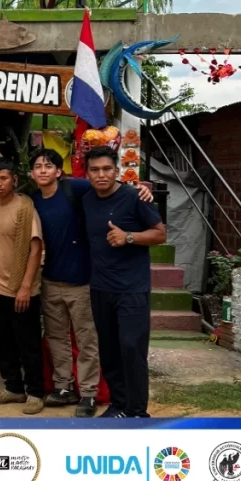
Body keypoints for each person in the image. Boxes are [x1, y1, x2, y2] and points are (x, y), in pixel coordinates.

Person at [29, 147, 153, 417]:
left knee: (92, 341)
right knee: (58, 338)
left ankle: (91, 394)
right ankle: (65, 388)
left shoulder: (76, 188)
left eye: (48, 166)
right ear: (31, 173)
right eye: (38, 166)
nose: (43, 170)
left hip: (86, 280)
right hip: (55, 278)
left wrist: (141, 188)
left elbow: (114, 188)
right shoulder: (33, 199)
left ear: (59, 171)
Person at [81, 146, 166, 418]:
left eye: (107, 169)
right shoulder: (86, 199)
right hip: (100, 287)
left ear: (116, 171)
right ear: (87, 174)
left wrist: (129, 237)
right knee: (109, 351)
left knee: (131, 348)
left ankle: (137, 412)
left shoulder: (134, 197)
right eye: (95, 170)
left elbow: (160, 234)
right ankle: (119, 405)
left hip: (132, 289)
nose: (101, 175)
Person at [0, 159, 47, 414]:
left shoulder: (25, 208)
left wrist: (25, 287)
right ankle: (14, 388)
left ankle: (36, 392)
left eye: (4, 179)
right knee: (0, 341)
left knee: (28, 343)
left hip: (22, 288)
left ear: (14, 180)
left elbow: (35, 249)